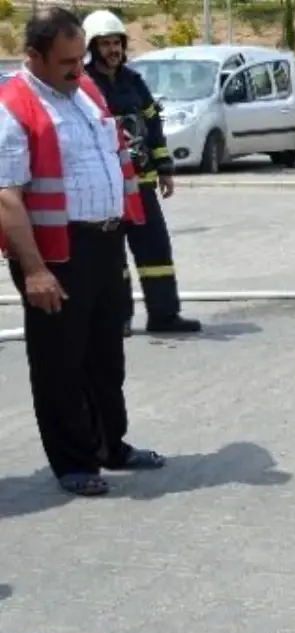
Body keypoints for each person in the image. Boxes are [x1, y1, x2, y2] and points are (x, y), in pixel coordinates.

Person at [0, 8, 166, 497]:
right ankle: (73, 461)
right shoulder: (13, 105)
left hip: (104, 241)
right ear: (34, 56)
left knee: (105, 355)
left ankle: (109, 446)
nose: (79, 69)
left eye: (81, 58)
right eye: (67, 61)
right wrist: (34, 270)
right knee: (60, 362)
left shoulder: (86, 91)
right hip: (56, 253)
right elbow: (6, 194)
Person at [82, 10, 201, 337]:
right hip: (109, 187)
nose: (112, 50)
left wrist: (164, 167)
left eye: (116, 42)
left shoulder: (134, 81)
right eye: (105, 44)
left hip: (142, 184)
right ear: (93, 47)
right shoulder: (84, 84)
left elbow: (152, 125)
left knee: (156, 251)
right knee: (113, 258)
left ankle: (164, 315)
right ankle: (117, 319)